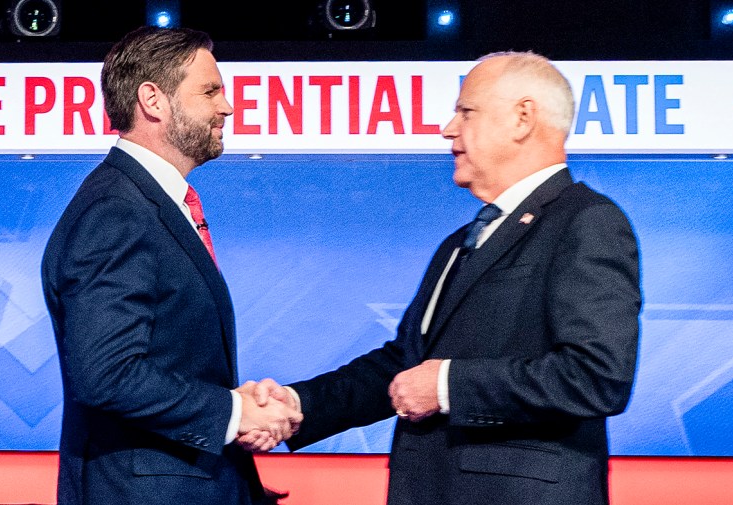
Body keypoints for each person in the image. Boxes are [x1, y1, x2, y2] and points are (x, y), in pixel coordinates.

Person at [245, 52, 641, 505]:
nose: (448, 128)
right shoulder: (461, 241)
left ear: (522, 118)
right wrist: (298, 405)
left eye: (465, 111)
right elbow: (405, 365)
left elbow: (596, 377)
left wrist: (448, 386)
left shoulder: (587, 222)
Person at [41, 26, 301, 505]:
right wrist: (232, 412)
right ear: (153, 100)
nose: (226, 107)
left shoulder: (147, 202)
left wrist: (235, 408)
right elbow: (106, 374)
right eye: (210, 91)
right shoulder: (117, 212)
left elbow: (166, 359)